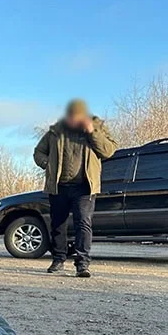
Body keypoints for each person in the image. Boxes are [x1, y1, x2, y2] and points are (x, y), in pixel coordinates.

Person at [34, 99, 118, 277]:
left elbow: (109, 151)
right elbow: (38, 152)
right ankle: (58, 259)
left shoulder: (97, 127)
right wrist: (47, 163)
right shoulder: (55, 131)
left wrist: (92, 132)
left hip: (84, 187)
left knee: (83, 224)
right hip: (59, 186)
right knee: (58, 224)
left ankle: (82, 263)